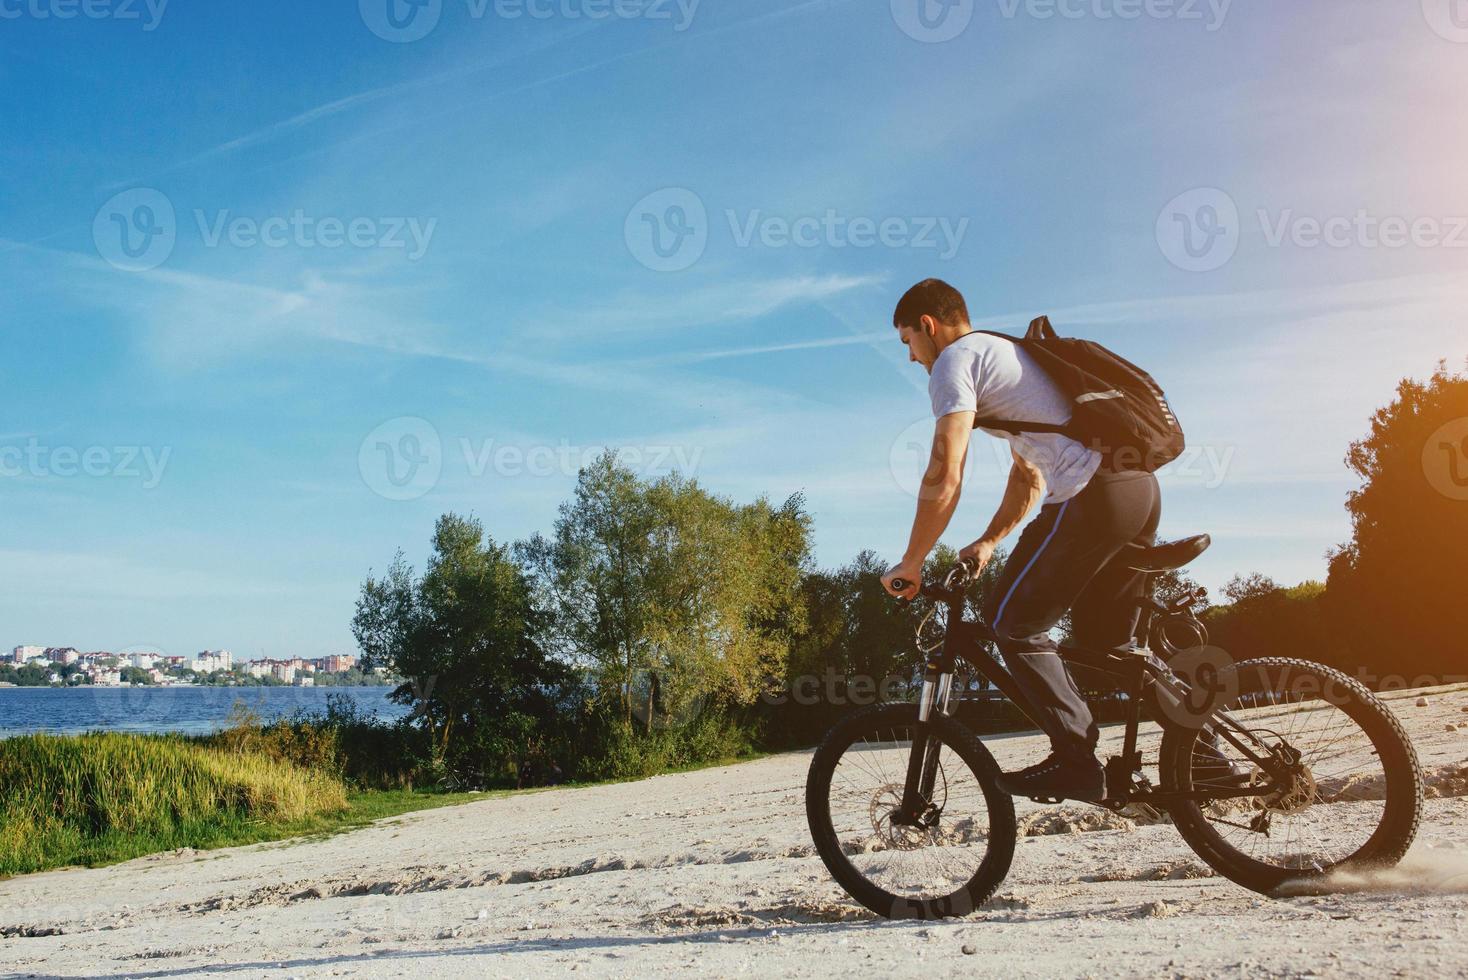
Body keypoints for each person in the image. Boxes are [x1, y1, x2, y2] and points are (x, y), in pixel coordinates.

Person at [879, 278, 1162, 803]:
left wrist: (912, 560)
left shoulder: (954, 363)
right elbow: (1028, 477)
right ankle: (1208, 754)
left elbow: (945, 471)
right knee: (1112, 646)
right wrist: (989, 541)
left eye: (908, 344)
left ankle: (1078, 760)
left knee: (1012, 624)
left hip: (1092, 496)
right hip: (1136, 490)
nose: (913, 359)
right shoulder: (1006, 356)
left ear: (928, 327)